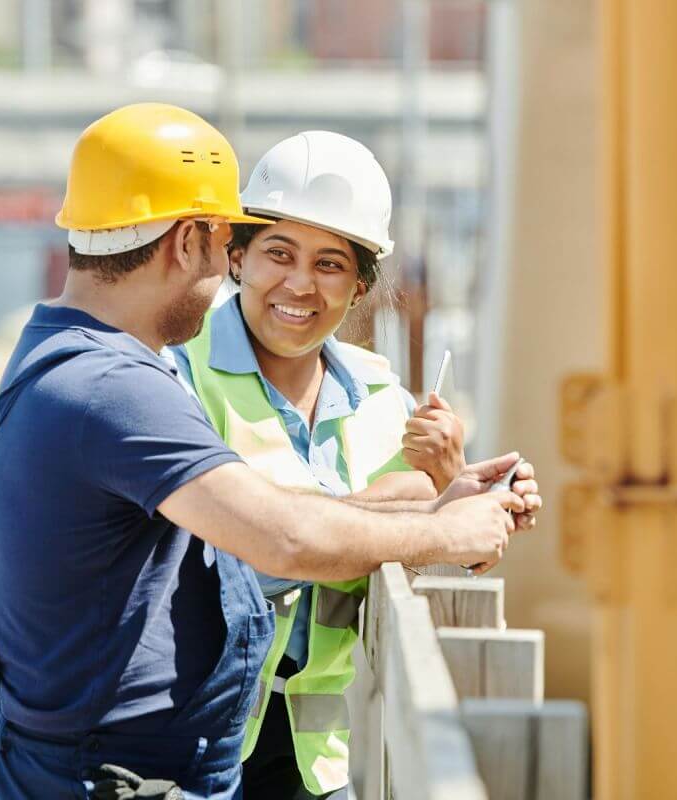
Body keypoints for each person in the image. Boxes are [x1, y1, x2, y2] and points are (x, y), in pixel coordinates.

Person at [0, 103, 536, 800]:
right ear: (192, 242)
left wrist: (438, 501)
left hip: (122, 769)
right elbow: (280, 536)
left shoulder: (77, 360)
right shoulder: (119, 387)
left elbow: (265, 523)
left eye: (330, 264)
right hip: (103, 777)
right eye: (235, 243)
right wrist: (442, 528)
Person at [172, 131, 541, 799]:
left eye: (331, 263)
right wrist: (406, 504)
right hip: (189, 744)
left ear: (360, 285)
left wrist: (459, 491)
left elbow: (427, 549)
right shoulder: (178, 373)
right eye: (277, 253)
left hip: (318, 760)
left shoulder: (381, 395)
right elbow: (241, 542)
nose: (300, 284)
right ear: (237, 259)